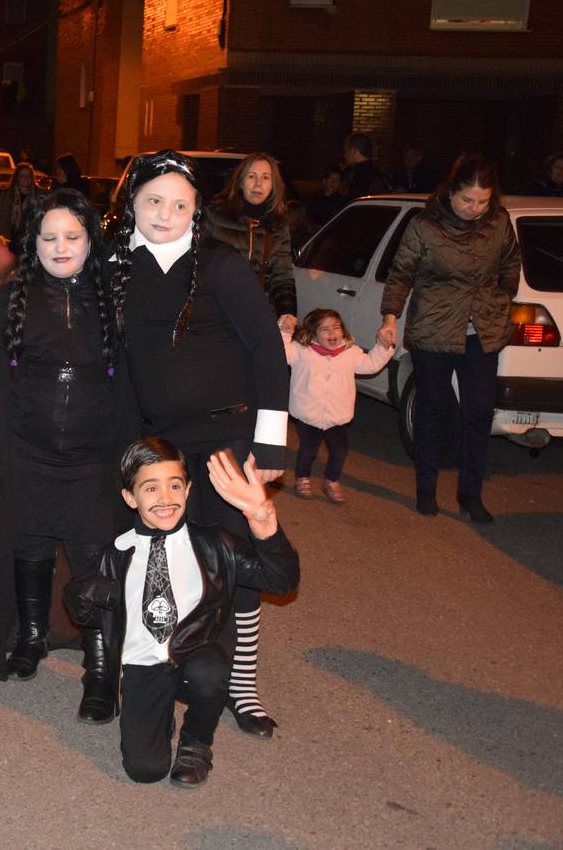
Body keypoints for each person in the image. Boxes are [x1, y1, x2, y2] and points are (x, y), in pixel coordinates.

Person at [110, 150, 289, 737]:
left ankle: (240, 685)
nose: (166, 213)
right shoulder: (113, 265)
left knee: (232, 562)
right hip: (158, 445)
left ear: (197, 211)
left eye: (180, 204)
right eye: (154, 201)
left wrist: (271, 445)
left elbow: (268, 350)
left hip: (226, 440)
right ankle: (160, 664)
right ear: (131, 201)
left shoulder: (221, 265)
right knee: (163, 561)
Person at [0, 188, 138, 728]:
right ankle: (32, 637)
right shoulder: (12, 296)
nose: (62, 247)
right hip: (27, 450)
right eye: (50, 237)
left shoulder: (113, 296)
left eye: (73, 237)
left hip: (93, 457)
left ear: (90, 240)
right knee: (31, 545)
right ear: (32, 242)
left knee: (94, 558)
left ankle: (101, 670)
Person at [63, 438, 300, 788]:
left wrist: (262, 519)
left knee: (209, 671)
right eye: (150, 488)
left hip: (196, 653)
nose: (165, 498)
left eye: (175, 485)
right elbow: (80, 610)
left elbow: (282, 581)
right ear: (130, 498)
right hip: (144, 662)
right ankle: (157, 716)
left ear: (188, 490)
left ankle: (197, 742)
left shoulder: (215, 544)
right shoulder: (116, 553)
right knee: (145, 770)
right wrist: (98, 592)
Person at [377, 156, 520, 523]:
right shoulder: (424, 226)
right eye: (467, 200)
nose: (474, 209)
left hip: (482, 333)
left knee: (479, 413)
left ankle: (470, 494)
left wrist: (499, 300)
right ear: (451, 192)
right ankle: (426, 488)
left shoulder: (499, 223)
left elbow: (510, 266)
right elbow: (401, 273)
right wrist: (390, 317)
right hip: (434, 330)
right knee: (432, 409)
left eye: (482, 201)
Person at [282, 308, 394, 503]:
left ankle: (331, 481)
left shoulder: (351, 353)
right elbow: (281, 353)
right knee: (308, 450)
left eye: (336, 328)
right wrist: (284, 331)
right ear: (313, 332)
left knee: (340, 451)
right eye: (324, 329)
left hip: (337, 415)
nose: (332, 333)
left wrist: (383, 346)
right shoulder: (302, 351)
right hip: (308, 413)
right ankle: (302, 477)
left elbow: (371, 364)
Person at [206, 152, 298, 330]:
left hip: (257, 314)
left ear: (273, 185)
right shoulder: (214, 216)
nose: (258, 184)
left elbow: (282, 275)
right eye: (251, 176)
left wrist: (287, 312)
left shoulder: (278, 225)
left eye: (265, 177)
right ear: (240, 181)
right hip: (216, 312)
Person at [0, 162, 39, 244]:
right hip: (9, 238)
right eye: (22, 176)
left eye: (28, 176)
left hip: (30, 239)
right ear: (17, 178)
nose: (25, 178)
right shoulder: (8, 194)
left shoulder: (37, 195)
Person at [341, 133, 392, 199]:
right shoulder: (375, 173)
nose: (344, 155)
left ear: (354, 151)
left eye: (346, 151)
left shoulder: (360, 176)